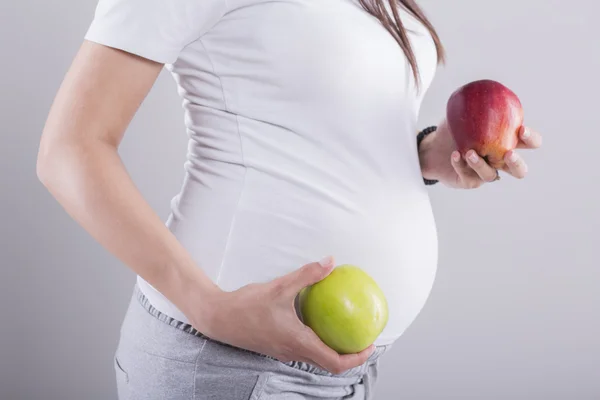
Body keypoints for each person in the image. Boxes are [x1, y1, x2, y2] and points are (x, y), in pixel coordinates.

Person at [36, 0, 542, 398]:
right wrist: (208, 307)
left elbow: (328, 124)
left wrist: (433, 155)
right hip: (229, 361)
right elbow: (70, 149)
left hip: (340, 372)